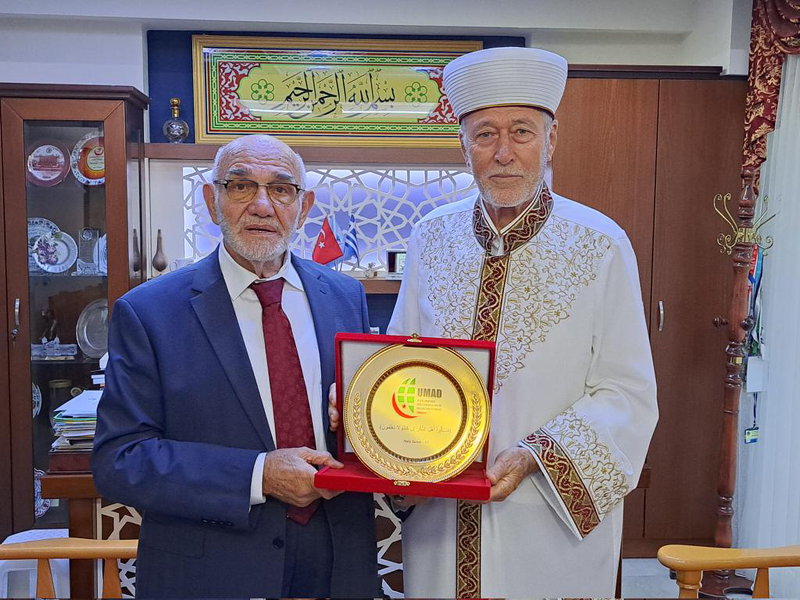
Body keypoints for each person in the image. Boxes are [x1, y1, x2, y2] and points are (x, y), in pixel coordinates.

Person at [386, 47, 658, 597]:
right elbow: (402, 359)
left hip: (547, 514)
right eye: (485, 134)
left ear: (551, 141)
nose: (504, 153)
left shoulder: (601, 242)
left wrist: (537, 454)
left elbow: (627, 393)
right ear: (463, 145)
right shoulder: (430, 235)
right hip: (441, 512)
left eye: (522, 133)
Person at [93, 134, 379, 598]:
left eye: (281, 189)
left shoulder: (345, 297)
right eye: (241, 186)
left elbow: (364, 421)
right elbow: (120, 460)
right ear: (212, 201)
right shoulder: (149, 312)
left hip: (337, 560)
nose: (262, 206)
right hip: (212, 570)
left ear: (303, 207)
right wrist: (259, 474)